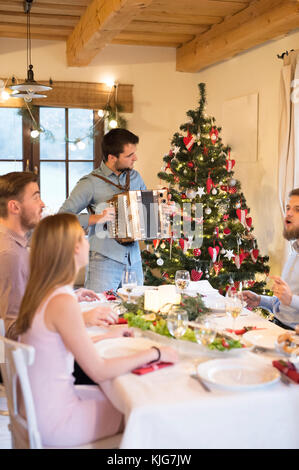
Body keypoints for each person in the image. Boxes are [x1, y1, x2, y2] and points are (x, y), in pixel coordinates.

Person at [15, 213, 178, 447]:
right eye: (83, 237)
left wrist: (108, 335)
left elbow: (59, 346)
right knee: (146, 413)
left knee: (120, 398)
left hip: (40, 408)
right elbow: (100, 371)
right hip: (57, 420)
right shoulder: (63, 302)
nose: (89, 242)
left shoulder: (44, 293)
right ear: (72, 249)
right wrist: (156, 352)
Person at [0, 171, 118, 340]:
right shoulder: (10, 255)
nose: (42, 204)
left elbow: (25, 305)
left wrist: (64, 298)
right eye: (35, 197)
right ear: (14, 207)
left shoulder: (15, 245)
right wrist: (76, 318)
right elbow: (13, 329)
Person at [59, 128, 147, 293]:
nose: (135, 158)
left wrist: (162, 210)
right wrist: (96, 218)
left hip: (133, 260)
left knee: (135, 312)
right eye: (129, 155)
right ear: (112, 158)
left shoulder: (136, 177)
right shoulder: (90, 183)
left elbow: (145, 210)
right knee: (99, 309)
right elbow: (62, 217)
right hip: (104, 260)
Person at [242, 188, 299, 329]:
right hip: (277, 327)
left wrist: (292, 300)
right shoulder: (294, 252)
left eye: (297, 209)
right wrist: (259, 300)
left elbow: (290, 300)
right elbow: (285, 305)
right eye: (288, 208)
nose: (289, 213)